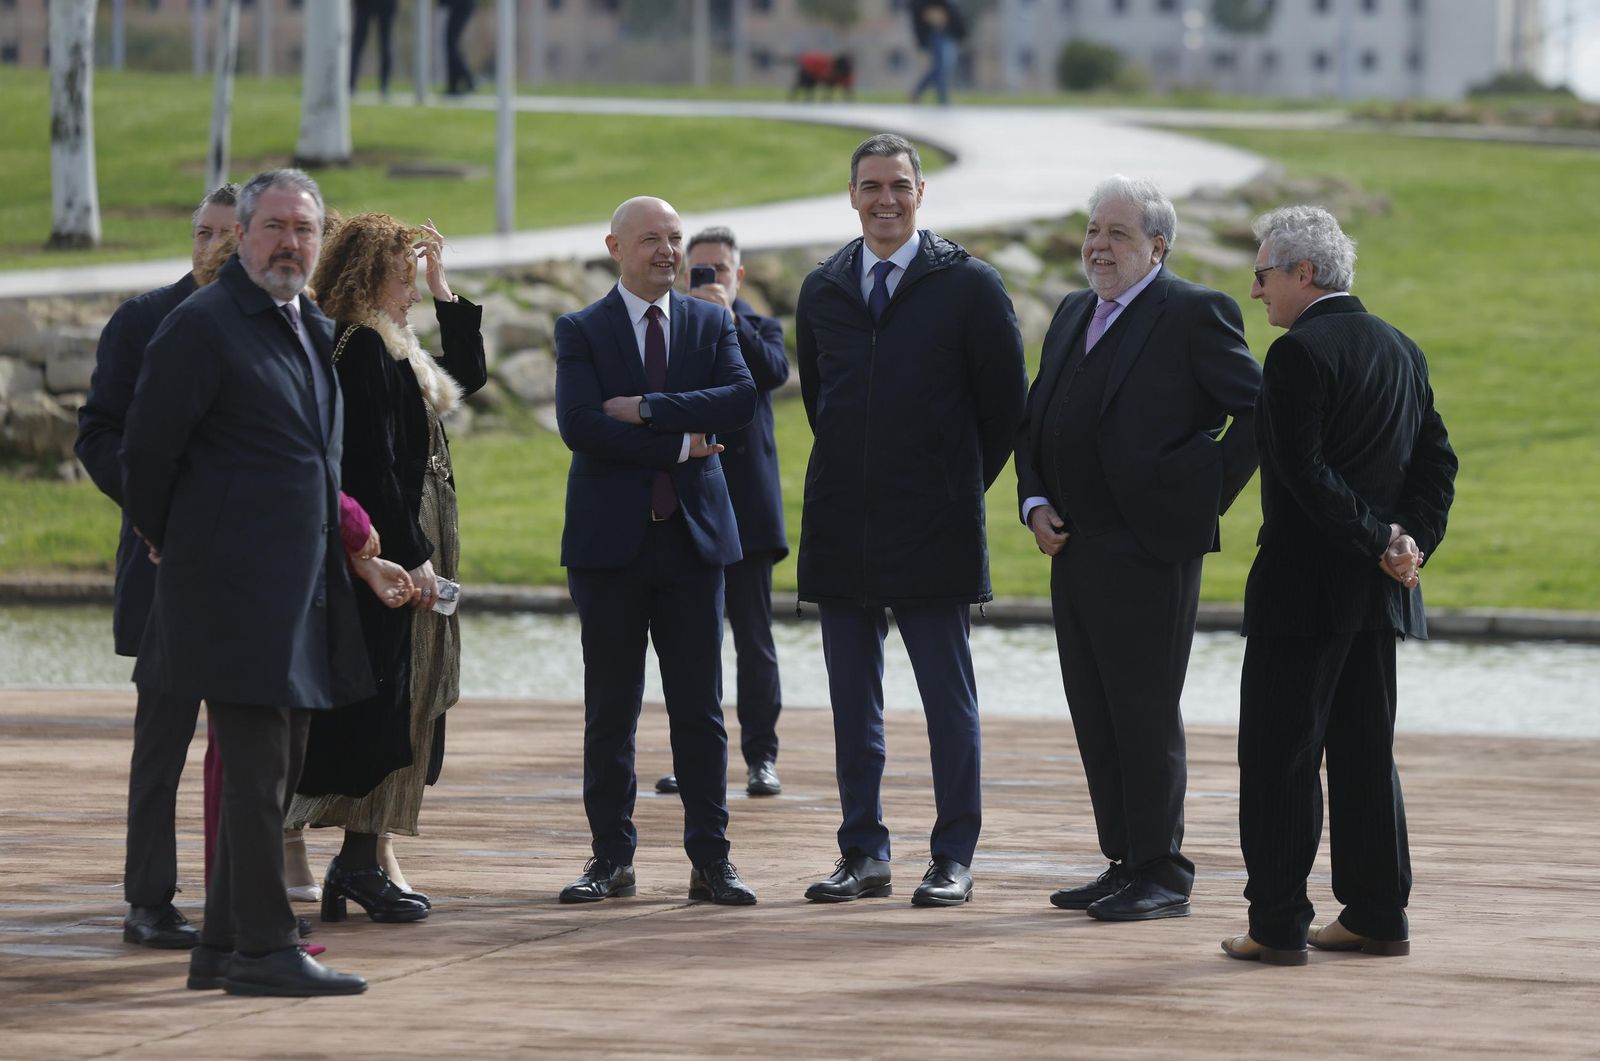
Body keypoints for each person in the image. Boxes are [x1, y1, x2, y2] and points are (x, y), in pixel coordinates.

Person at [121, 168, 369, 996]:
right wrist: (169, 539)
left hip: (299, 593)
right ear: (243, 234)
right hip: (228, 593)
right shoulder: (205, 325)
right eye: (273, 226)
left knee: (279, 768)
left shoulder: (307, 322)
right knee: (258, 776)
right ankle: (264, 949)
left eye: (304, 229)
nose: (289, 243)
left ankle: (222, 942)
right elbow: (146, 456)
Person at [1016, 175, 1262, 922]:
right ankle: (1123, 859)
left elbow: (1259, 410)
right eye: (1094, 231)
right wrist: (1033, 501)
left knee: (1144, 711)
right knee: (1094, 708)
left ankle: (1163, 869)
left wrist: (1199, 488)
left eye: (1118, 234)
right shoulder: (1069, 310)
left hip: (1151, 548)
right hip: (1074, 545)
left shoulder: (1193, 312)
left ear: (1157, 245)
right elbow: (1037, 418)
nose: (1099, 246)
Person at [795, 133, 1027, 907]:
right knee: (851, 706)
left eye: (899, 185)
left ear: (921, 194)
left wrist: (952, 484)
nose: (885, 199)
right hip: (841, 527)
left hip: (935, 529)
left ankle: (953, 855)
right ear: (852, 195)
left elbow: (1004, 413)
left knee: (946, 704)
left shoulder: (971, 285)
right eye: (871, 186)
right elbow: (821, 400)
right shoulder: (823, 287)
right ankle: (862, 851)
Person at [1221, 206, 1457, 966]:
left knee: (1278, 756)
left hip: (1304, 593)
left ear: (1303, 273)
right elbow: (1437, 466)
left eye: (1262, 276)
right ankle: (1377, 913)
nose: (1256, 294)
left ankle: (1278, 922)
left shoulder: (1296, 356)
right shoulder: (1403, 348)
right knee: (1364, 753)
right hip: (1380, 594)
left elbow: (1304, 473)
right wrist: (1407, 542)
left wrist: (1378, 539)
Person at [553, 195, 758, 907]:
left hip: (695, 543)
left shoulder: (710, 320)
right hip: (609, 547)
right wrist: (680, 439)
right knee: (611, 708)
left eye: (675, 238)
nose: (668, 251)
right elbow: (580, 425)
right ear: (615, 246)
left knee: (699, 708)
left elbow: (736, 401)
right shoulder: (580, 329)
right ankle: (611, 857)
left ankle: (713, 860)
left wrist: (643, 409)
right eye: (652, 240)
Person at [287, 213, 487, 924]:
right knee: (387, 699)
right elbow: (370, 465)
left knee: (411, 694)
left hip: (412, 535)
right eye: (403, 276)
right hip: (389, 544)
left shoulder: (388, 339)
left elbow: (468, 376)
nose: (410, 291)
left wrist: (444, 292)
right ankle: (357, 861)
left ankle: (361, 859)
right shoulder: (360, 347)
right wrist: (414, 553)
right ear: (370, 277)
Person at [75, 183, 238, 951]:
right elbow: (100, 433)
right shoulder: (144, 319)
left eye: (225, 235)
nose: (210, 247)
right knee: (162, 746)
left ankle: (244, 901)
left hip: (254, 572)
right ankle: (149, 901)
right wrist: (158, 516)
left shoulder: (280, 326)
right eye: (202, 232)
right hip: (163, 561)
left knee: (254, 747)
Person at [655, 226, 789, 800]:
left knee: (753, 639)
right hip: (689, 506)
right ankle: (694, 760)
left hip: (748, 511)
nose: (709, 281)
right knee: (691, 642)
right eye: (699, 272)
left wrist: (729, 320)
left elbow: (773, 374)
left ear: (740, 275)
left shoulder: (759, 327)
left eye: (720, 271)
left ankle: (762, 758)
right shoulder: (672, 328)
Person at [909, 0, 965, 106]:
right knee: (941, 66)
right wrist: (937, 20)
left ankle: (919, 92)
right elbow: (926, 10)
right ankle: (941, 98)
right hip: (939, 33)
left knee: (942, 67)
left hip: (949, 33)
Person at [350, 0, 399, 99]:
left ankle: (351, 85)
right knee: (384, 43)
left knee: (359, 45)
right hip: (373, 4)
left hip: (369, 4)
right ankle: (384, 87)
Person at [443, 0, 477, 96]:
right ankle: (453, 84)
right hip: (459, 5)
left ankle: (468, 79)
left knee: (451, 44)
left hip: (462, 4)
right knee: (450, 44)